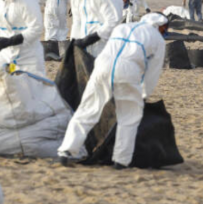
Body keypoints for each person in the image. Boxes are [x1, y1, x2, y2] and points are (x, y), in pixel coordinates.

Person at [58, 12, 168, 170]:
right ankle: (121, 160)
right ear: (161, 26)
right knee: (129, 116)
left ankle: (67, 150)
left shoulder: (122, 27)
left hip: (102, 67)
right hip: (128, 72)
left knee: (87, 109)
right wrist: (144, 94)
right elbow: (153, 71)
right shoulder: (157, 39)